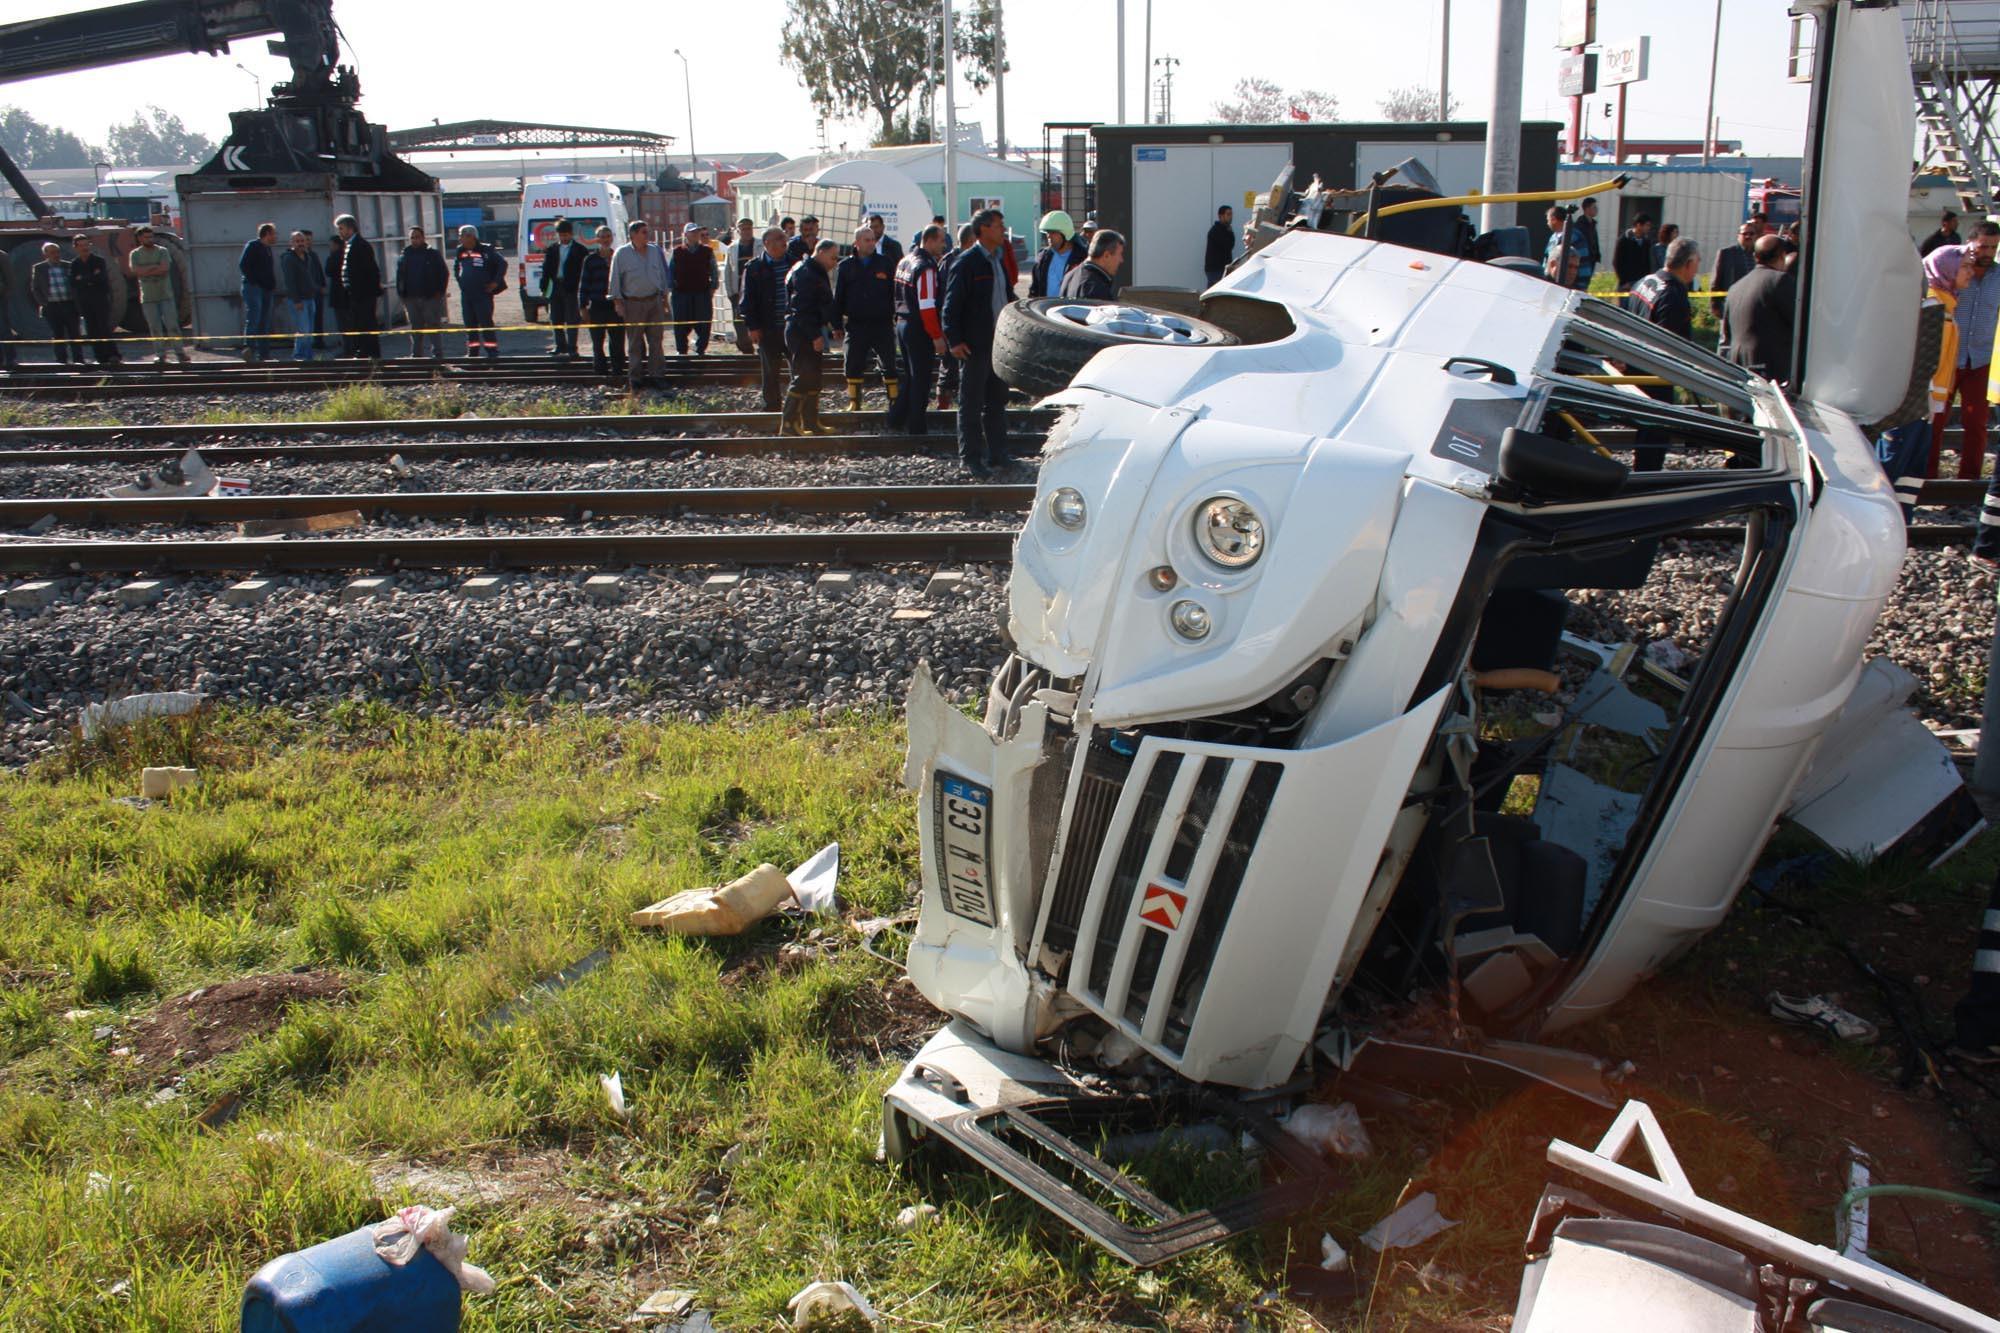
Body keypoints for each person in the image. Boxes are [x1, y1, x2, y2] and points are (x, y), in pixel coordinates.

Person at [942, 207, 1012, 475]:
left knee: (996, 400)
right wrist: (954, 340)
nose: (1003, 230)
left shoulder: (997, 260)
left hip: (998, 344)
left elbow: (1006, 297)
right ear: (983, 229)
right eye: (998, 225)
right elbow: (951, 305)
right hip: (975, 345)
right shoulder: (967, 262)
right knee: (971, 403)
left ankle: (998, 454)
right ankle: (971, 458)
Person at [1624, 237, 1702, 470]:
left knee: (1644, 433)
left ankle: (1641, 474)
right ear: (1688, 263)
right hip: (1655, 376)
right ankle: (1646, 480)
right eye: (1698, 262)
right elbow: (1669, 344)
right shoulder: (1672, 295)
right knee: (1654, 437)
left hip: (1636, 367)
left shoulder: (1646, 281)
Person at [1937, 223, 2000, 484]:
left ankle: (1969, 480)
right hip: (1949, 357)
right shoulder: (1954, 272)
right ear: (1970, 243)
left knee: (1976, 422)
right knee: (1937, 419)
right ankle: (1927, 478)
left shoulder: (1998, 277)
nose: (1988, 253)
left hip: (1982, 359)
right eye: (1983, 246)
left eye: (1994, 247)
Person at [889, 223, 948, 436]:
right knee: (921, 379)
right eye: (941, 241)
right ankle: (917, 427)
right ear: (929, 240)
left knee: (911, 376)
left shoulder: (905, 261)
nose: (944, 245)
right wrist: (936, 336)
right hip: (918, 327)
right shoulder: (926, 267)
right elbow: (927, 305)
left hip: (902, 323)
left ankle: (896, 418)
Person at [832, 223, 897, 412]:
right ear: (857, 243)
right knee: (853, 363)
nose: (871, 243)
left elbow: (894, 293)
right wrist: (836, 325)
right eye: (867, 240)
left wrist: (896, 316)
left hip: (882, 323)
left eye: (873, 240)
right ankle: (854, 402)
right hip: (857, 324)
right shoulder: (846, 266)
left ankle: (894, 401)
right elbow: (838, 297)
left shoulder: (885, 263)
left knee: (889, 363)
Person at [1720, 234, 1797, 386]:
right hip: (1770, 372)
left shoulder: (1735, 288)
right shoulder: (1780, 281)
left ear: (1755, 256)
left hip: (1738, 369)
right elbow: (1798, 322)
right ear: (1782, 255)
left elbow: (1727, 334)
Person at [782, 237, 839, 436]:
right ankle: (789, 424)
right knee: (803, 376)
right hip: (802, 330)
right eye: (833, 258)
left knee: (813, 377)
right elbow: (802, 309)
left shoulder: (814, 270)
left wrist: (833, 325)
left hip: (808, 328)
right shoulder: (806, 273)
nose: (835, 263)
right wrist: (814, 335)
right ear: (821, 252)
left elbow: (823, 303)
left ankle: (811, 422)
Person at [608, 219, 672, 389]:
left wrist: (665, 299)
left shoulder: (655, 251)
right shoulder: (621, 254)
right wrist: (618, 303)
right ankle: (635, 378)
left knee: (656, 341)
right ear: (633, 234)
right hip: (633, 303)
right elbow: (615, 280)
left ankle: (657, 375)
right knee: (635, 343)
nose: (647, 235)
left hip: (654, 301)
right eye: (644, 232)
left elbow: (662, 275)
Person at [738, 225, 792, 410]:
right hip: (768, 328)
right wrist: (752, 327)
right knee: (770, 371)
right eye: (779, 238)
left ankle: (797, 406)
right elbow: (747, 301)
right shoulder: (754, 268)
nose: (784, 241)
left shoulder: (795, 263)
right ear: (767, 243)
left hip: (793, 328)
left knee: (798, 369)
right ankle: (772, 406)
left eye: (784, 237)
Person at [126, 226, 187, 366]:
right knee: (155, 327)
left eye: (151, 236)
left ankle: (180, 352)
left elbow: (164, 268)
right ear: (139, 238)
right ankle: (160, 355)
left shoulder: (162, 251)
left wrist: (145, 270)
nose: (150, 239)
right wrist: (154, 267)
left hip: (165, 295)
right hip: (148, 297)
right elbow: (135, 271)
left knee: (172, 326)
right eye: (146, 237)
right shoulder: (135, 254)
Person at [936, 222, 977, 411]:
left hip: (964, 323)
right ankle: (944, 405)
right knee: (949, 366)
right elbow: (946, 298)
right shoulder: (954, 262)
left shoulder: (950, 260)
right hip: (955, 323)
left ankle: (961, 404)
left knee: (957, 367)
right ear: (971, 241)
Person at [395, 226, 450, 361]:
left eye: (417, 237)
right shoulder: (404, 255)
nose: (415, 240)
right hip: (411, 298)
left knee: (433, 325)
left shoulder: (433, 254)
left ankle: (438, 355)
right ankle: (416, 355)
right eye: (412, 237)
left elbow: (444, 273)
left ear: (423, 238)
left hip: (430, 298)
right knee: (416, 327)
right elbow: (399, 276)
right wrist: (401, 293)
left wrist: (439, 292)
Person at [331, 214, 381, 359]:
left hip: (363, 295)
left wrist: (364, 293)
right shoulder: (350, 245)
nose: (339, 232)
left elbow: (371, 271)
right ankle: (362, 351)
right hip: (355, 295)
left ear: (350, 228)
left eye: (341, 228)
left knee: (366, 324)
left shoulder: (360, 245)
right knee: (358, 324)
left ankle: (369, 353)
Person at [579, 224, 626, 378]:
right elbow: (584, 284)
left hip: (615, 305)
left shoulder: (618, 257)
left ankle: (618, 370)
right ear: (597, 239)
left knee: (617, 341)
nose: (606, 240)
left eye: (608, 236)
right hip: (597, 305)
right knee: (597, 341)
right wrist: (583, 307)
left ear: (612, 238)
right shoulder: (590, 260)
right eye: (602, 237)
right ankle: (600, 371)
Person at [452, 224, 506, 360]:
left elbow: (502, 264)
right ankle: (473, 352)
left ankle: (492, 351)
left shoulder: (486, 250)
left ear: (471, 236)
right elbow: (456, 267)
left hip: (483, 294)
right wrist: (460, 281)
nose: (460, 239)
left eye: (462, 236)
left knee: (486, 323)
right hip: (467, 294)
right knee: (470, 324)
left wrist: (495, 282)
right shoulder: (460, 251)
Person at [30, 242, 85, 367]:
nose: (56, 255)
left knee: (74, 333)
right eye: (52, 252)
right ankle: (61, 361)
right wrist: (44, 303)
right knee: (57, 334)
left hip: (69, 305)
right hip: (52, 306)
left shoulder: (68, 266)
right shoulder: (39, 268)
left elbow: (77, 284)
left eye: (57, 252)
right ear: (46, 254)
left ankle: (78, 359)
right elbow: (35, 288)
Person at [540, 218, 588, 360]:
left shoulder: (580, 250)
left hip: (571, 288)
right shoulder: (552, 249)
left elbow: (583, 272)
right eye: (561, 235)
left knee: (572, 319)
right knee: (555, 318)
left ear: (571, 234)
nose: (564, 238)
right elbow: (546, 271)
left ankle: (572, 348)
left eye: (566, 235)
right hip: (555, 287)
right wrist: (544, 288)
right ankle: (560, 346)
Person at [68, 233, 119, 365]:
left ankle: (113, 355)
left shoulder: (98, 261)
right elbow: (73, 282)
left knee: (104, 327)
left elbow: (100, 278)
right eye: (81, 245)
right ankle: (100, 357)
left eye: (86, 244)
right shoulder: (75, 264)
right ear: (75, 247)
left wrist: (83, 279)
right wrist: (90, 278)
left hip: (100, 299)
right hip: (85, 301)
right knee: (91, 329)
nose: (85, 248)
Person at [669, 222, 718, 356]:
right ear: (686, 235)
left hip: (702, 293)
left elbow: (714, 270)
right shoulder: (677, 251)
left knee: (704, 324)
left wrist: (713, 287)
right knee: (680, 325)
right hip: (681, 294)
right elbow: (671, 272)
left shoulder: (707, 251)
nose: (696, 234)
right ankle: (681, 351)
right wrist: (672, 290)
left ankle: (700, 350)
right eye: (692, 232)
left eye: (697, 232)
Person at [278, 229, 326, 362]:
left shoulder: (308, 257)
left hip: (310, 298)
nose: (300, 243)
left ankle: (308, 356)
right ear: (291, 243)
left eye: (302, 241)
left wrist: (316, 289)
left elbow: (310, 277)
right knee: (303, 329)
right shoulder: (288, 259)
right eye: (297, 241)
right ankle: (299, 355)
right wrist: (296, 300)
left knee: (309, 330)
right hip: (299, 300)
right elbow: (290, 281)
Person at [238, 222, 278, 362]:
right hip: (253, 288)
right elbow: (243, 265)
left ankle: (264, 354)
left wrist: (271, 285)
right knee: (254, 318)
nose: (276, 237)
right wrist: (256, 281)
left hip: (266, 289)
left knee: (264, 321)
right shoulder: (253, 246)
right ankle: (249, 349)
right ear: (267, 234)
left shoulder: (267, 249)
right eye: (274, 234)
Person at [1029, 211, 1084, 299]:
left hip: (1072, 307)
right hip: (1046, 307)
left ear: (1066, 233)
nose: (1048, 236)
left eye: (1053, 232)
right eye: (1047, 232)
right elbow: (1034, 290)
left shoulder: (1082, 258)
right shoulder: (1042, 258)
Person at [1059, 228, 1123, 299]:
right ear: (1106, 255)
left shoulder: (1068, 277)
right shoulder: (1096, 287)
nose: (1121, 260)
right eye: (1120, 254)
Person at [724, 217, 758, 351]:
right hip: (738, 292)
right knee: (739, 322)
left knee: (758, 319)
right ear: (738, 231)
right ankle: (746, 349)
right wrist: (730, 292)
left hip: (757, 291)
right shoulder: (732, 248)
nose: (747, 231)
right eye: (743, 229)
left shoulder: (760, 245)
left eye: (749, 228)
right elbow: (728, 271)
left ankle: (761, 347)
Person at [1710, 220, 1761, 295]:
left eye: (1751, 234)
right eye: (1744, 234)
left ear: (1756, 236)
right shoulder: (1726, 254)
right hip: (1732, 297)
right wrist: (1715, 301)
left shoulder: (1761, 254)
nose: (1748, 236)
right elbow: (1715, 281)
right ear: (1738, 236)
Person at [1611, 214, 1655, 290]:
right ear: (1638, 225)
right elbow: (1616, 262)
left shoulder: (1646, 242)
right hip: (1627, 283)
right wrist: (1623, 282)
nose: (1649, 228)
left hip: (1642, 283)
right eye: (1647, 225)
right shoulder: (1624, 240)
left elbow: (1647, 263)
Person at [1573, 196, 1603, 288]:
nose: (1596, 209)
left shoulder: (1593, 224)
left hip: (1591, 259)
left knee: (1587, 283)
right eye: (1594, 207)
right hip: (1582, 260)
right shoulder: (1579, 225)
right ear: (1587, 209)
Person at [1204, 204, 1235, 287]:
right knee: (1215, 293)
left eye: (1231, 214)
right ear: (1221, 216)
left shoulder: (1225, 229)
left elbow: (1230, 245)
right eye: (1228, 214)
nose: (1231, 217)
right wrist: (1230, 232)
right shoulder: (1216, 231)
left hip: (1221, 269)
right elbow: (1228, 246)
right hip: (1215, 270)